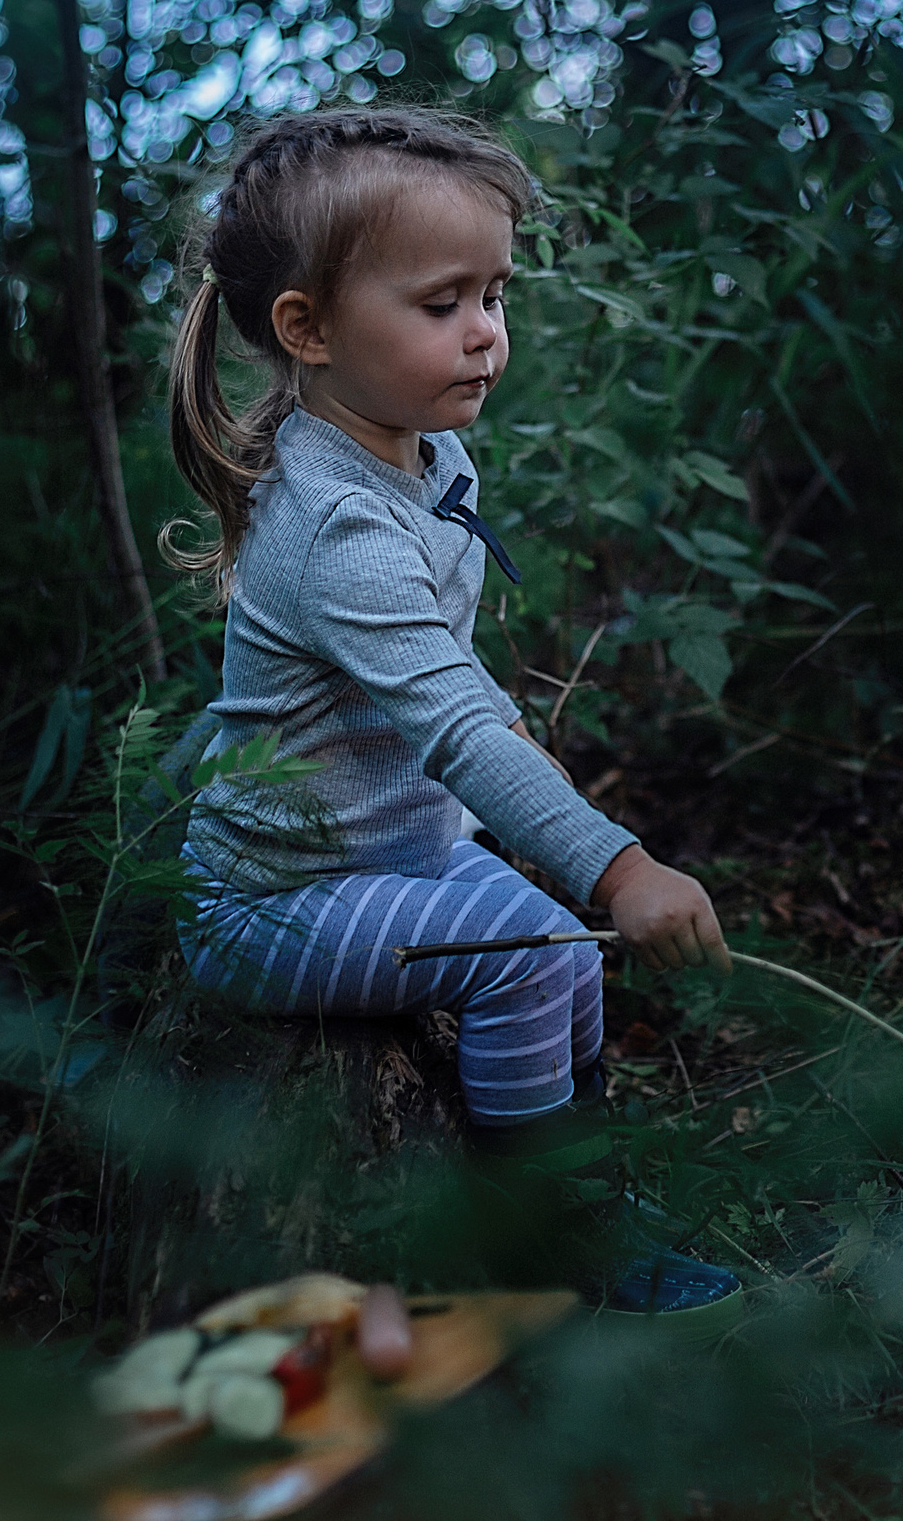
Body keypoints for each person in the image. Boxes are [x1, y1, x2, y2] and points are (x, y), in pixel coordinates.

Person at [162, 104, 737, 1320]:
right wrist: (619, 868)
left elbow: (455, 691)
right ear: (306, 330)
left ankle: (564, 1180)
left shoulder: (421, 456)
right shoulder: (335, 525)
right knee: (535, 955)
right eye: (442, 305)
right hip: (273, 895)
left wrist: (556, 849)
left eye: (495, 296)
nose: (485, 336)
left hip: (391, 852)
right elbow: (454, 728)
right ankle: (539, 1243)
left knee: (562, 961)